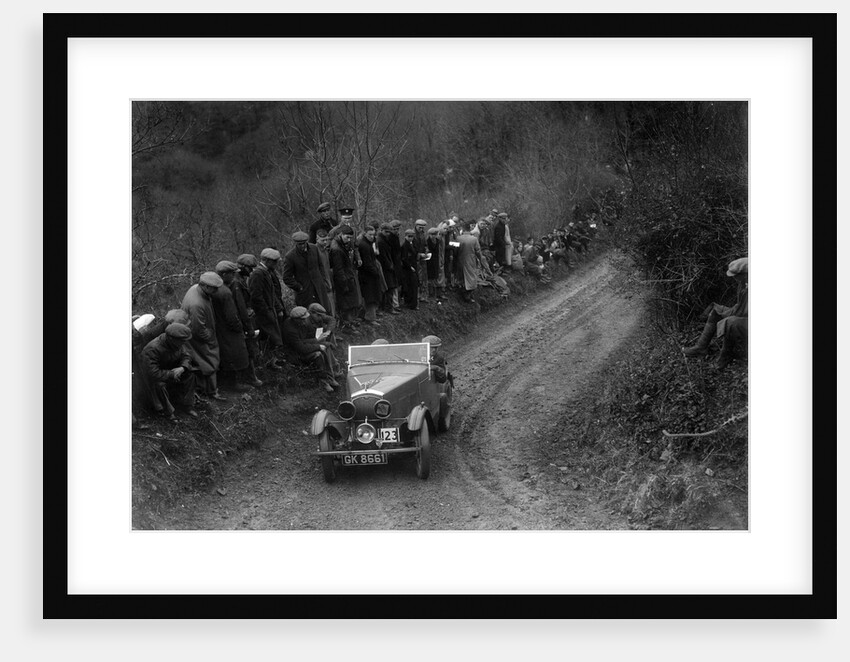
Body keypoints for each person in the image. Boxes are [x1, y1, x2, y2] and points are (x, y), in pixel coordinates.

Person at [682, 257, 749, 369]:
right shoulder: (744, 283)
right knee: (716, 311)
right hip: (742, 314)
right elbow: (740, 306)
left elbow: (744, 312)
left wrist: (729, 314)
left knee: (729, 323)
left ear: (746, 274)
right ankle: (701, 347)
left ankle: (724, 358)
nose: (734, 278)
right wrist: (726, 311)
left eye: (737, 275)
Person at [181, 271, 227, 401]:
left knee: (201, 362)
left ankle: (203, 390)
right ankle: (212, 392)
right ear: (206, 287)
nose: (217, 290)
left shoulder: (195, 288)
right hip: (198, 338)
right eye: (214, 288)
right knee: (210, 361)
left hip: (193, 336)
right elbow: (198, 330)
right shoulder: (197, 304)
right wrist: (211, 339)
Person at [140, 322, 198, 422]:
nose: (184, 343)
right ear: (171, 338)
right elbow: (152, 373)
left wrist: (182, 368)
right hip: (156, 379)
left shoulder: (177, 343)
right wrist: (171, 374)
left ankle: (187, 405)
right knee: (159, 385)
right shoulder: (152, 349)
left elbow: (186, 356)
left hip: (172, 372)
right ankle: (168, 413)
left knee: (190, 375)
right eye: (182, 341)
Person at [212, 261, 252, 391]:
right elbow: (232, 316)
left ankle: (226, 382)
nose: (234, 276)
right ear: (224, 274)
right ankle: (232, 384)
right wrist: (240, 328)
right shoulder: (225, 292)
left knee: (225, 354)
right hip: (228, 329)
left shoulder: (214, 287)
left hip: (218, 327)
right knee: (234, 354)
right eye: (232, 274)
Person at [280, 306, 339, 393]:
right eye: (303, 320)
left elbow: (304, 341)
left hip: (302, 346)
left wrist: (319, 342)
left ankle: (330, 377)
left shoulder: (301, 323)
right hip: (295, 353)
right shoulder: (290, 330)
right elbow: (300, 348)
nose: (305, 321)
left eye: (305, 319)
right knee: (318, 354)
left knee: (326, 346)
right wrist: (318, 346)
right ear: (296, 319)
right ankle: (323, 381)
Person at [249, 247, 286, 370]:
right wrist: (266, 312)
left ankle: (272, 361)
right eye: (274, 261)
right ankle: (267, 363)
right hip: (263, 313)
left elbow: (271, 293)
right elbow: (256, 297)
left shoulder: (267, 272)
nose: (276, 264)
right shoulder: (258, 274)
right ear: (267, 261)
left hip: (270, 310)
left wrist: (277, 308)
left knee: (273, 338)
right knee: (268, 338)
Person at [232, 254, 263, 386]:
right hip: (242, 320)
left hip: (245, 318)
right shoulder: (236, 282)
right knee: (248, 349)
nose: (251, 271)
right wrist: (248, 326)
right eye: (250, 268)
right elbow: (241, 306)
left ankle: (251, 376)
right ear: (242, 267)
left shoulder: (240, 279)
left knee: (250, 348)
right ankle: (250, 378)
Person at [282, 230, 326, 309]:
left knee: (323, 311)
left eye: (304, 243)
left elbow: (320, 266)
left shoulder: (314, 248)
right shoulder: (290, 256)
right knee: (308, 315)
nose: (302, 246)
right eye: (299, 244)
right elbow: (286, 277)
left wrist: (322, 280)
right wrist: (299, 287)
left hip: (319, 289)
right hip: (305, 293)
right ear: (296, 243)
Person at [356, 224, 382, 326]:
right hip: (367, 276)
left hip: (369, 274)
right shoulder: (364, 245)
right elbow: (367, 263)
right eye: (370, 234)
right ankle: (370, 318)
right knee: (370, 297)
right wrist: (375, 272)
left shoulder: (367, 244)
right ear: (365, 234)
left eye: (373, 235)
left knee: (372, 296)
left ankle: (371, 316)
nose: (372, 237)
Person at [456, 220, 484, 303]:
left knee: (461, 276)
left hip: (460, 260)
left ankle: (462, 290)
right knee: (471, 277)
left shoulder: (458, 238)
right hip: (471, 259)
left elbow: (454, 250)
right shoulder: (474, 239)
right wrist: (480, 259)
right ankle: (468, 295)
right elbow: (478, 251)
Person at [376, 222, 400, 314]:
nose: (388, 234)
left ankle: (387, 307)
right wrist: (390, 266)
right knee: (388, 287)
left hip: (388, 266)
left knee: (390, 287)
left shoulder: (385, 239)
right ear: (381, 231)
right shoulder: (381, 241)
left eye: (389, 232)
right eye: (386, 232)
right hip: (385, 268)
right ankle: (387, 307)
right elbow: (383, 256)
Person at [314, 228, 336, 318]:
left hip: (328, 281)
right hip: (322, 284)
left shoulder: (325, 250)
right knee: (325, 306)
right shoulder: (315, 251)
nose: (325, 242)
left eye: (326, 240)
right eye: (323, 240)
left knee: (331, 305)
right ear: (317, 239)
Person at [400, 228, 420, 310]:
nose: (411, 238)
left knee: (414, 286)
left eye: (412, 236)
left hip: (413, 267)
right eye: (409, 236)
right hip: (407, 269)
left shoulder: (412, 244)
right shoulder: (404, 245)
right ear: (405, 236)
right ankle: (409, 303)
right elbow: (404, 258)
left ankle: (413, 304)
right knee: (409, 287)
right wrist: (409, 267)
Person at [412, 219, 430, 303]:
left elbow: (425, 244)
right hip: (415, 260)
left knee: (424, 277)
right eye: (420, 228)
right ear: (416, 226)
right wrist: (419, 254)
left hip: (423, 259)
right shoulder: (412, 235)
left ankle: (423, 295)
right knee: (417, 278)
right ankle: (417, 295)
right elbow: (411, 249)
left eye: (423, 228)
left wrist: (426, 250)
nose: (422, 229)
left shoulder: (423, 234)